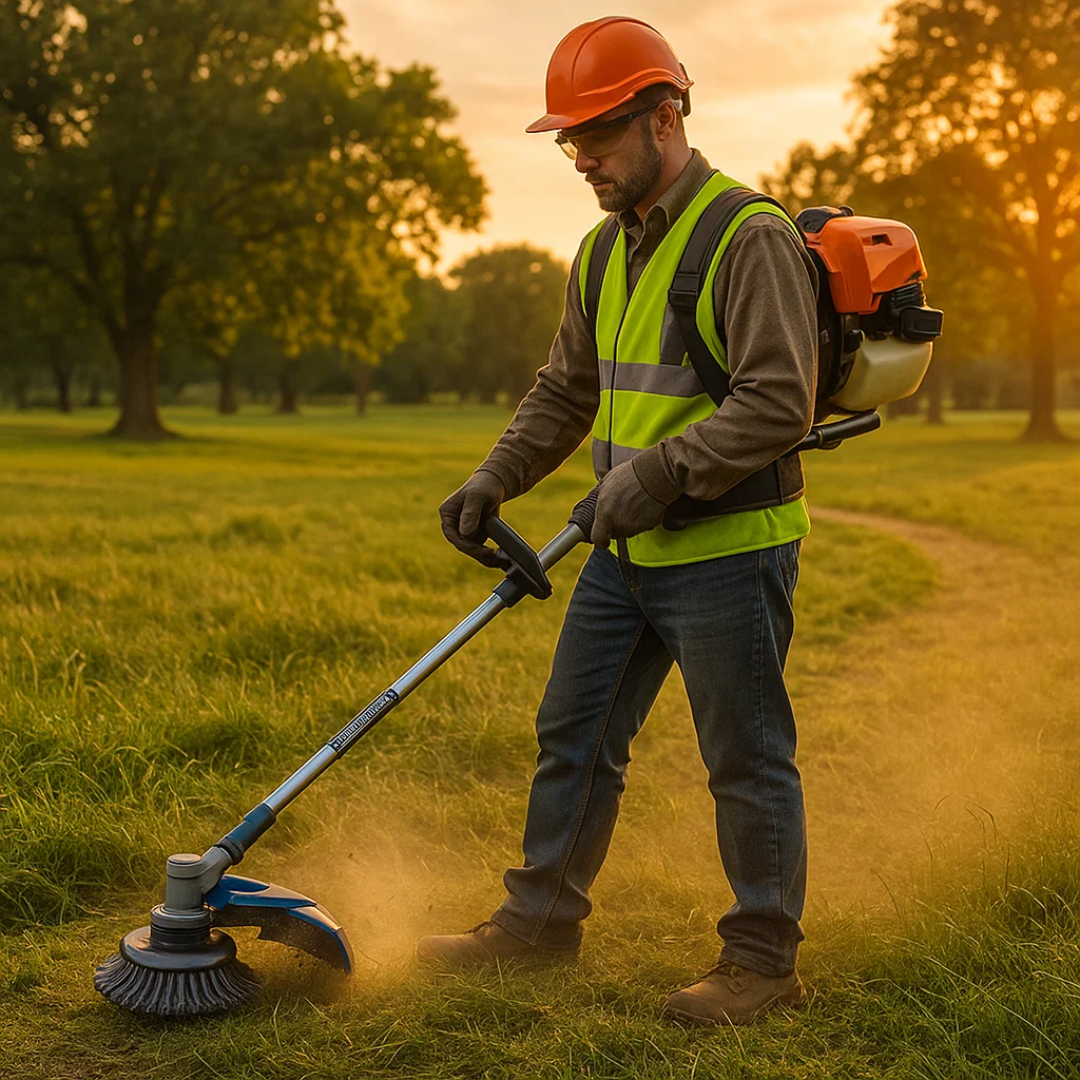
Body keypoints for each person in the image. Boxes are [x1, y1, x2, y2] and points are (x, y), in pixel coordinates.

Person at [419, 16, 818, 1027]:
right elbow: (565, 391)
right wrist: (492, 478)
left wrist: (655, 480)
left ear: (666, 115)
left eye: (597, 135)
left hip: (727, 551)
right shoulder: (601, 253)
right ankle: (538, 924)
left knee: (746, 756)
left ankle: (764, 960)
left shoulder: (747, 234)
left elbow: (780, 401)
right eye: (570, 141)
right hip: (624, 552)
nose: (581, 158)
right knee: (573, 733)